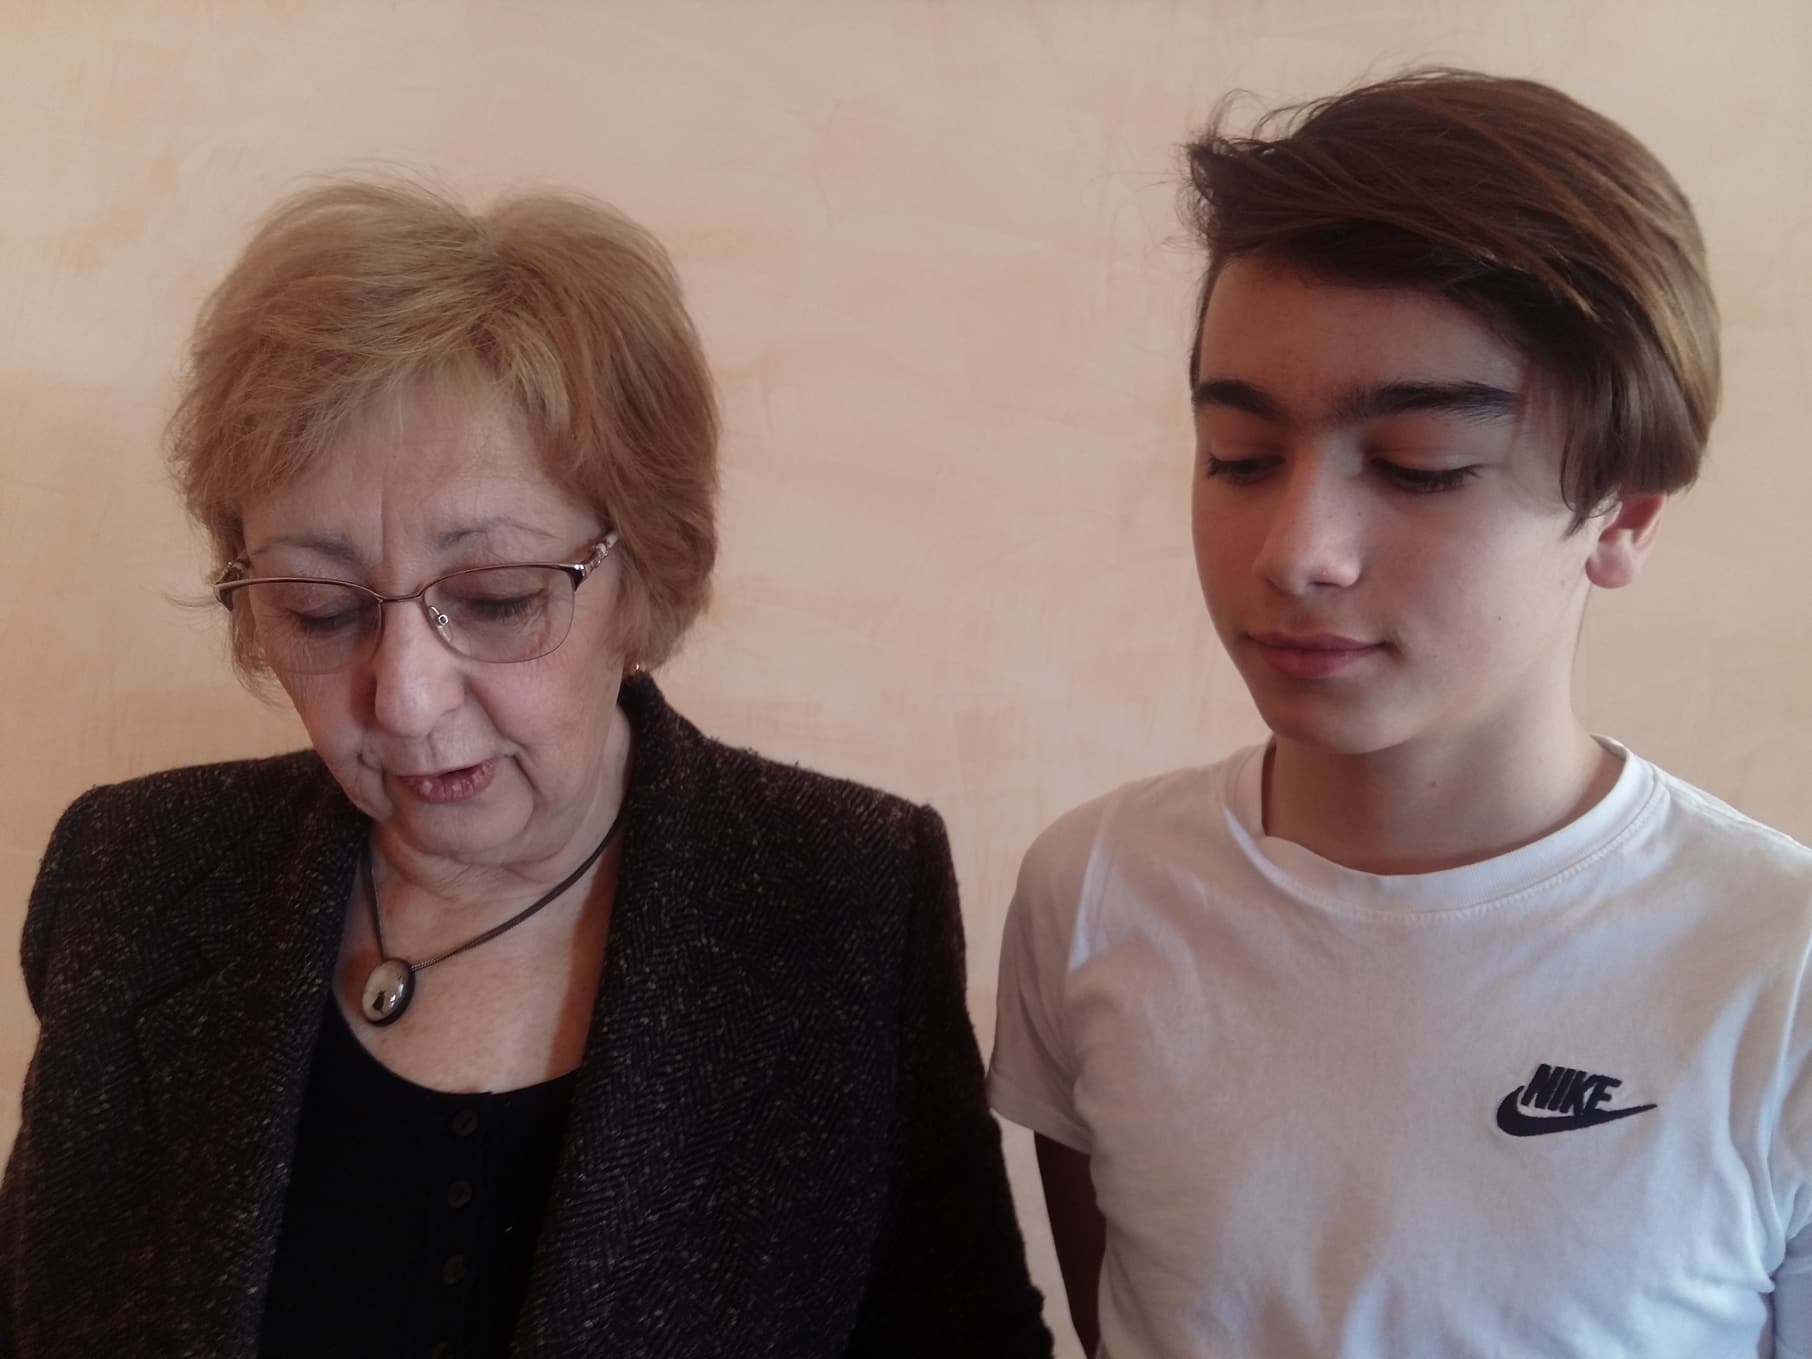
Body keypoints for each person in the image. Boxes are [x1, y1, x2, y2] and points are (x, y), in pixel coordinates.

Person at [0, 179, 1052, 1358]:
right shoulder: (131, 879)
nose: (404, 699)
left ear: (642, 574)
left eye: (497, 599)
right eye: (319, 607)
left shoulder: (847, 901)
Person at [988, 69, 1811, 1357]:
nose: (1297, 551)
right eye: (1240, 458)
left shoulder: (1776, 964)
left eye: (1421, 468)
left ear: (1624, 515)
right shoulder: (1095, 891)